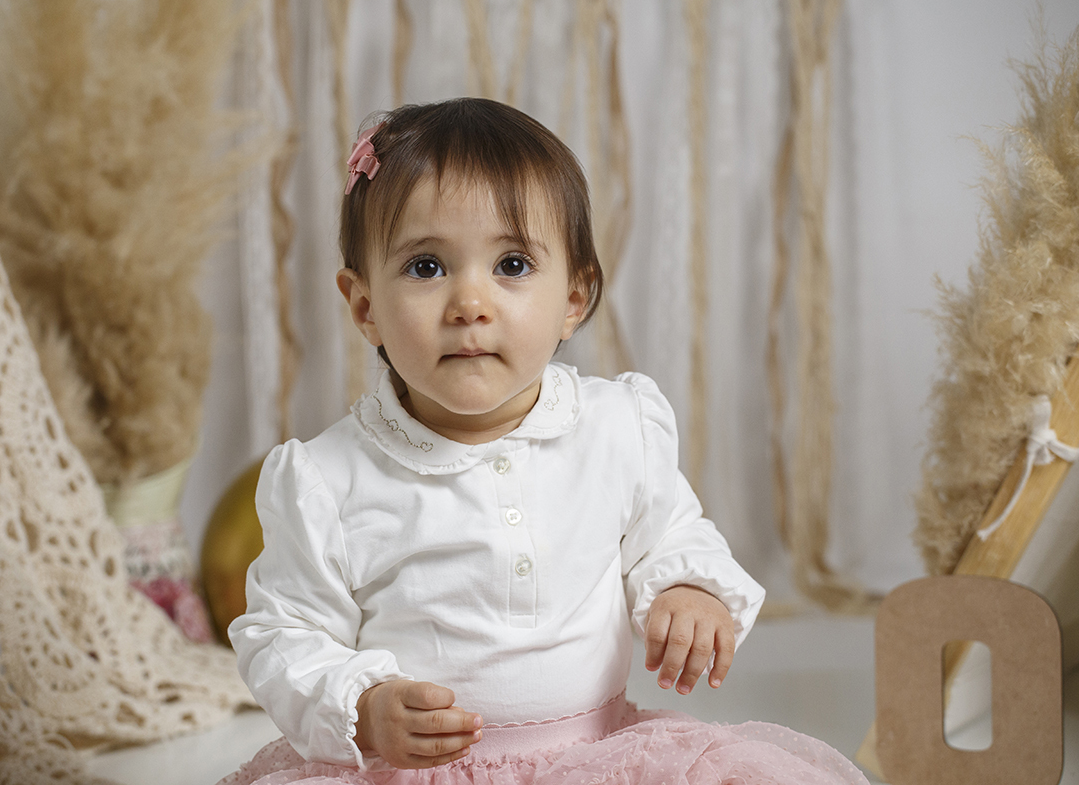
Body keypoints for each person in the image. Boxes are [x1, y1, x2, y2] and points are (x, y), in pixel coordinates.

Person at [221, 98, 868, 785]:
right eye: (426, 268)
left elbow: (670, 532)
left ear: (574, 298)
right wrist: (365, 707)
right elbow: (284, 636)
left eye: (512, 265)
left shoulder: (616, 427)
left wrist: (686, 587)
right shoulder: (330, 479)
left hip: (599, 758)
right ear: (365, 306)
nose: (471, 302)